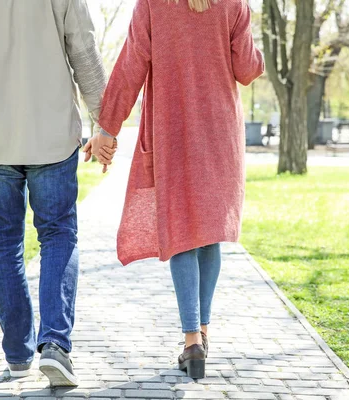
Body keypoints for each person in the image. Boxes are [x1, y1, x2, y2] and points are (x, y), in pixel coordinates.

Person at [0, 0, 116, 386]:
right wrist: (105, 124)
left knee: (2, 243)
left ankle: (17, 355)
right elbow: (84, 56)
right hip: (51, 135)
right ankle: (55, 347)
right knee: (58, 235)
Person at [85, 0, 264, 379]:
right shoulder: (234, 4)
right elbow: (248, 70)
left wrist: (107, 127)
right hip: (219, 131)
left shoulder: (153, 4)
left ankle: (190, 340)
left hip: (174, 129)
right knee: (209, 233)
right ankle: (203, 333)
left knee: (182, 230)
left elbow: (131, 65)